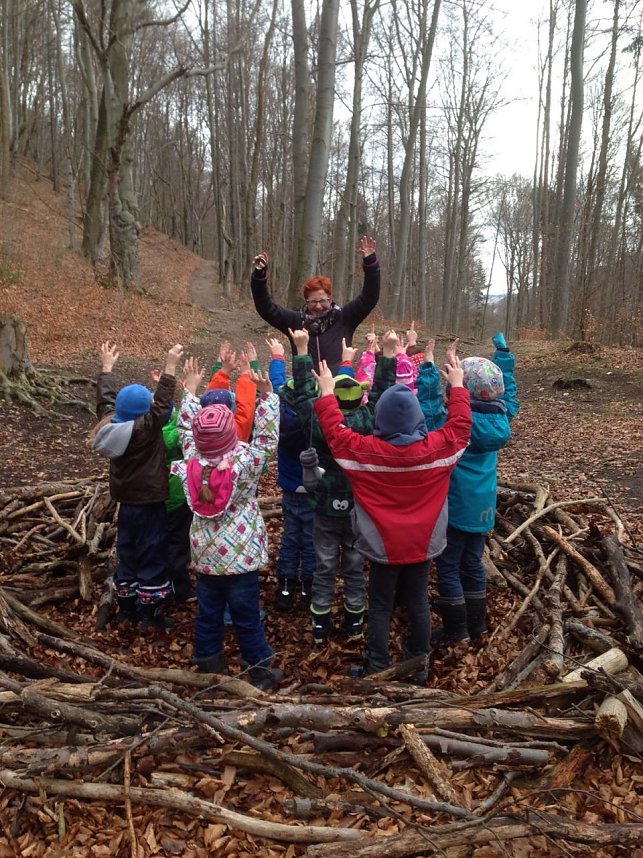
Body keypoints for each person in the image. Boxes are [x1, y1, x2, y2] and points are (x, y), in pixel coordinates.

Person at [312, 353, 471, 682]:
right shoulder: (437, 451)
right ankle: (419, 663)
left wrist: (327, 393)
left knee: (381, 604)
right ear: (418, 418)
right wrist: (457, 387)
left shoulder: (366, 452)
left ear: (379, 420)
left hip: (382, 548)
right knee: (418, 602)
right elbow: (460, 427)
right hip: (423, 545)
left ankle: (377, 666)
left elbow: (334, 433)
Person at [171, 358, 283, 691]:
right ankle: (259, 670)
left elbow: (184, 429)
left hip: (206, 558)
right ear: (231, 432)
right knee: (246, 615)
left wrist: (190, 391)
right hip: (240, 559)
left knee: (208, 612)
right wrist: (268, 397)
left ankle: (208, 662)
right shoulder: (245, 462)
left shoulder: (191, 459)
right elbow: (266, 441)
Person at [286, 327, 398, 644]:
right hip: (357, 509)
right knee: (352, 565)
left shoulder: (319, 421)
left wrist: (302, 349)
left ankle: (320, 623)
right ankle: (354, 620)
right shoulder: (368, 420)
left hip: (323, 508)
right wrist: (387, 355)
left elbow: (304, 396)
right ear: (357, 399)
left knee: (323, 567)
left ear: (332, 399)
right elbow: (381, 395)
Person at [416, 333, 519, 645]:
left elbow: (429, 407)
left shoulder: (456, 423)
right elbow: (510, 394)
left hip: (456, 506)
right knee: (473, 562)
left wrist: (429, 368)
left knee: (448, 566)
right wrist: (502, 355)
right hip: (483, 508)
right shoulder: (502, 416)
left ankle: (455, 630)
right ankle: (478, 625)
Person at [93, 341, 184, 630]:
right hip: (150, 505)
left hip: (126, 505)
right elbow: (161, 406)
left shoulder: (109, 426)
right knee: (152, 554)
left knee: (128, 553)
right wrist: (170, 367)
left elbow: (105, 402)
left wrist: (106, 370)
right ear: (144, 412)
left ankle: (127, 608)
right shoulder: (146, 429)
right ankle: (150, 614)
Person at [250, 236, 380, 373]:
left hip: (339, 387)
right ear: (306, 301)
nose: (318, 306)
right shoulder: (295, 322)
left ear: (330, 299)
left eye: (323, 301)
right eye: (313, 302)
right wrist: (259, 275)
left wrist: (370, 263)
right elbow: (265, 307)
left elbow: (369, 297)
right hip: (305, 388)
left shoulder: (344, 318)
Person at [266, 337, 317, 612]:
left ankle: (285, 589)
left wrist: (277, 357)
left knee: (289, 538)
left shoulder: (279, 413)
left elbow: (276, 385)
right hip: (312, 489)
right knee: (310, 541)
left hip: (289, 488)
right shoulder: (315, 418)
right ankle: (308, 589)